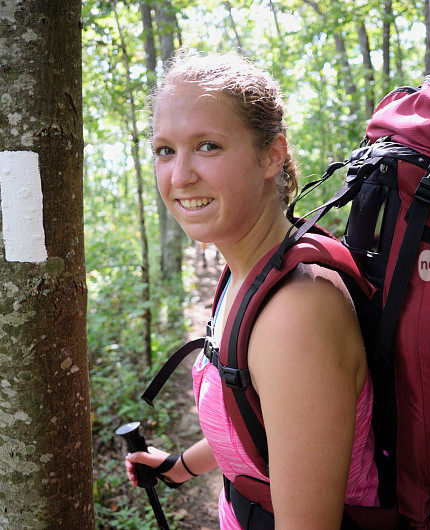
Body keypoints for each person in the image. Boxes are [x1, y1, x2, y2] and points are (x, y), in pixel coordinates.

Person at [124, 51, 378, 529]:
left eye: (208, 146)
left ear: (271, 156)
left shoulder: (295, 313)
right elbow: (263, 424)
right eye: (164, 150)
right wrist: (181, 467)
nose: (180, 176)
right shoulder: (251, 270)